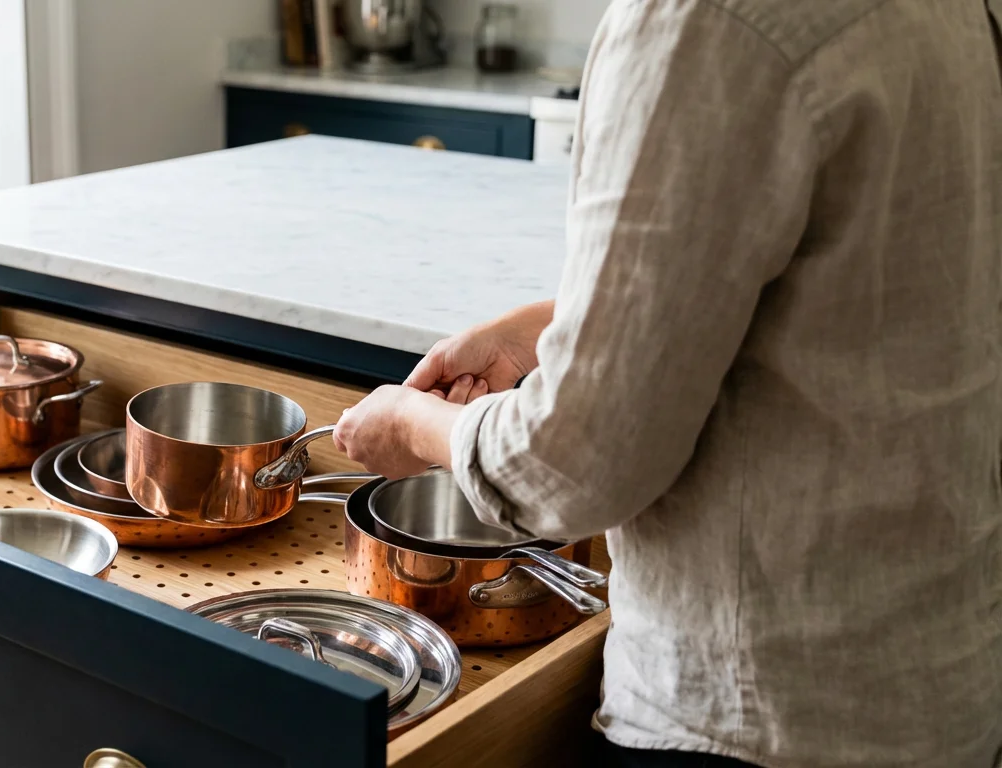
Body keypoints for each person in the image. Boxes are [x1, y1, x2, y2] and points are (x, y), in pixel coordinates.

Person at [331, 0, 1002, 766]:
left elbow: (573, 461)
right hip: (940, 685)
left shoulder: (699, 20)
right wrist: (567, 326)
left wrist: (413, 424)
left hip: (756, 714)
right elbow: (861, 283)